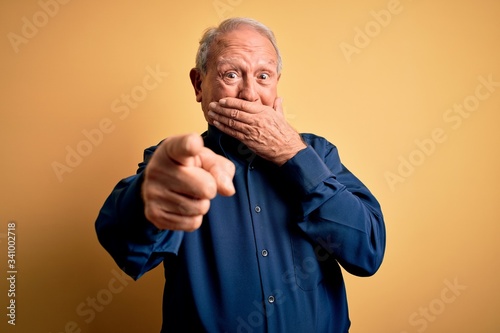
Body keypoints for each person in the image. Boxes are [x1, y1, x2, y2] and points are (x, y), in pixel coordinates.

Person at [95, 17, 386, 333]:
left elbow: (367, 252)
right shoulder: (178, 162)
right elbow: (127, 250)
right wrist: (146, 194)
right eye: (231, 74)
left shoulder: (319, 153)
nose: (250, 94)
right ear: (198, 84)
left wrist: (295, 157)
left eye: (263, 76)